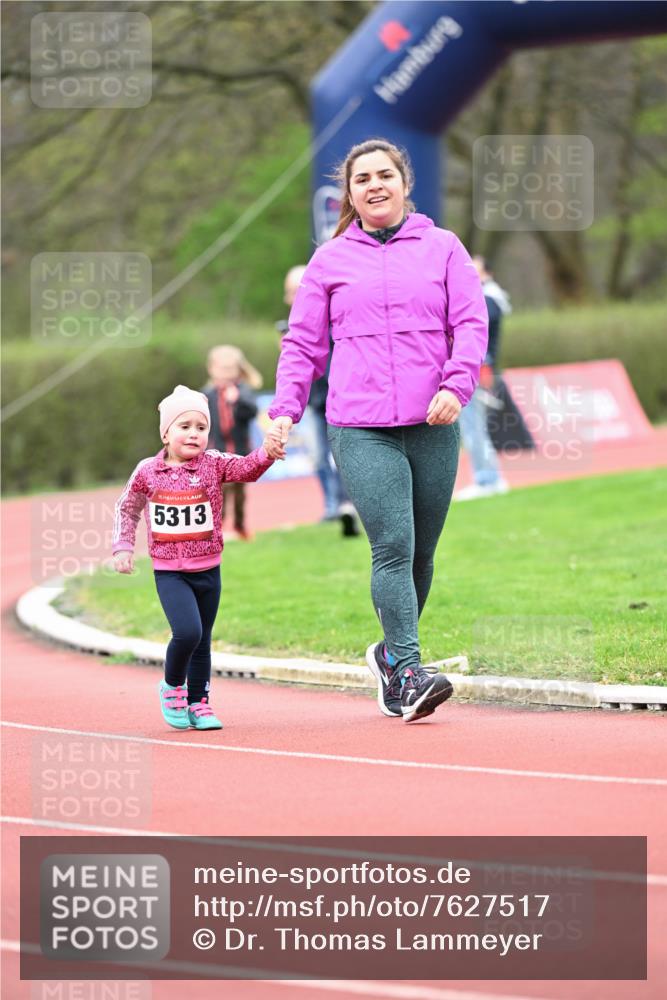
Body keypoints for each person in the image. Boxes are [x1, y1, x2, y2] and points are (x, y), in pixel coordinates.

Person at [268, 138, 488, 722]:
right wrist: (286, 408)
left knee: (422, 553)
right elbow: (303, 343)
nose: (374, 185)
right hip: (359, 424)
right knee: (392, 545)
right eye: (361, 179)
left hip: (434, 420)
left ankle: (391, 655)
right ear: (351, 194)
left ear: (404, 183)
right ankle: (410, 673)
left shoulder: (443, 248)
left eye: (383, 175)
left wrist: (455, 385)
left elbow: (470, 321)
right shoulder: (330, 259)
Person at [112, 385, 283, 730]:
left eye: (201, 428)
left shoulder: (214, 464)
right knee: (187, 633)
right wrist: (123, 547)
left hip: (208, 569)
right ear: (165, 432)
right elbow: (127, 509)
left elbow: (248, 468)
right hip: (170, 572)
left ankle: (199, 703)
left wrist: (266, 451)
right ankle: (172, 686)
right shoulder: (147, 471)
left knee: (203, 641)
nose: (194, 434)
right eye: (184, 426)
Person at [281, 266, 359, 537]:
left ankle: (347, 504)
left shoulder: (334, 316)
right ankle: (332, 505)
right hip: (311, 403)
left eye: (297, 289)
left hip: (340, 399)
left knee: (344, 456)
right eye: (290, 292)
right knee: (318, 457)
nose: (294, 296)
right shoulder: (291, 326)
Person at [454, 255, 511, 500]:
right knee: (475, 427)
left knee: (474, 427)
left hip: (478, 371)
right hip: (481, 370)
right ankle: (489, 477)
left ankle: (487, 479)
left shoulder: (488, 300)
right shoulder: (492, 298)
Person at [205, 344, 263, 540]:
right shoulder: (207, 394)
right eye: (222, 369)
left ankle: (239, 524)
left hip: (240, 451)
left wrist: (237, 401)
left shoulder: (243, 391)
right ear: (211, 369)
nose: (226, 374)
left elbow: (252, 412)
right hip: (216, 451)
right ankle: (217, 525)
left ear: (238, 370)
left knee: (239, 491)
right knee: (218, 489)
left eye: (231, 370)